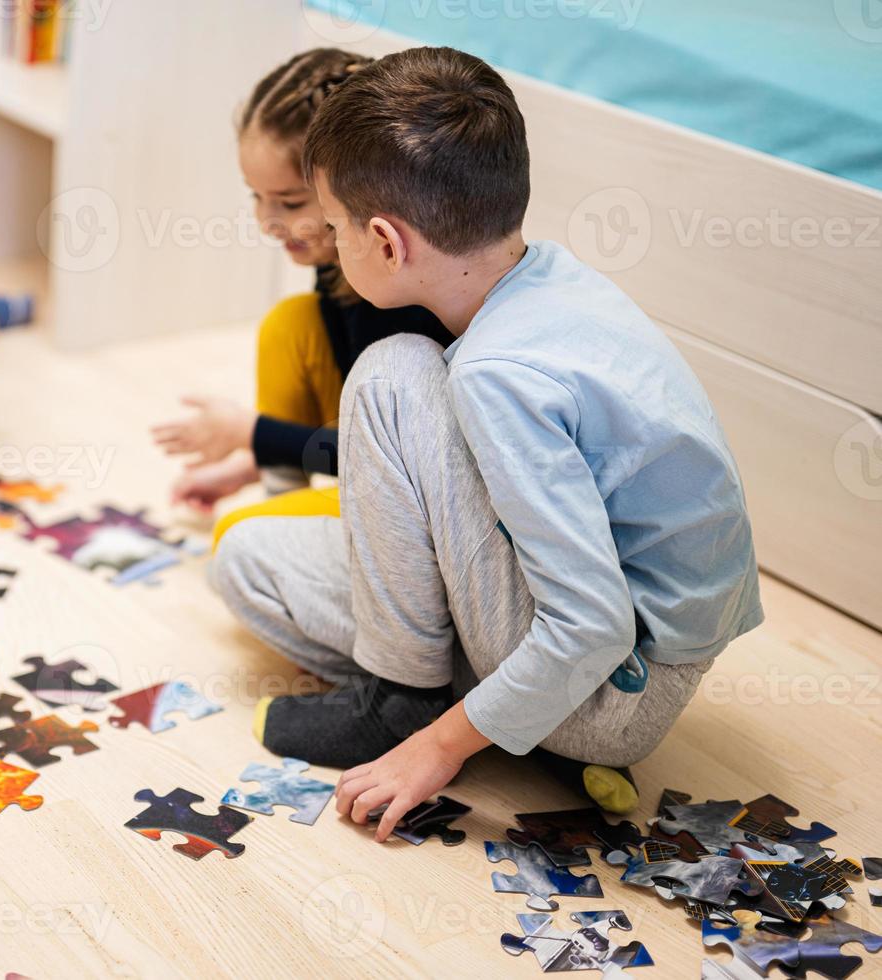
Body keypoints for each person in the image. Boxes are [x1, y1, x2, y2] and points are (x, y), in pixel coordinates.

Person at [213, 47, 763, 832]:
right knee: (248, 563)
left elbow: (593, 623)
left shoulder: (498, 372)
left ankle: (407, 707)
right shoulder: (550, 278)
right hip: (612, 658)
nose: (328, 243)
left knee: (391, 372)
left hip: (617, 692)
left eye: (333, 227)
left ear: (386, 241)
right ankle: (500, 717)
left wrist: (436, 748)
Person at [151, 49, 452, 546]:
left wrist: (254, 434)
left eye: (289, 202)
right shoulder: (334, 263)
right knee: (290, 323)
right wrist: (251, 462)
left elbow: (385, 462)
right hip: (369, 463)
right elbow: (351, 441)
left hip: (412, 497)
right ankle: (282, 508)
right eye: (255, 195)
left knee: (235, 538)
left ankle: (284, 536)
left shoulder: (397, 303)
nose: (267, 222)